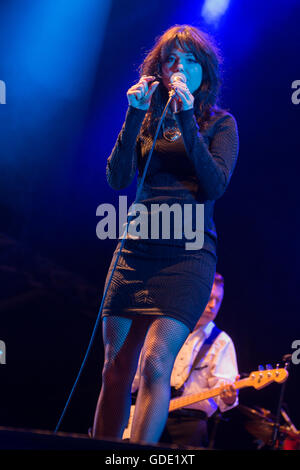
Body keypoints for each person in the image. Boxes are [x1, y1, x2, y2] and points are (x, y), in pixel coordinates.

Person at [92, 24, 239, 444]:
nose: (180, 66)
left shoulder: (220, 124)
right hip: (137, 250)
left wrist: (187, 116)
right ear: (159, 68)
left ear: (204, 73)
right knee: (115, 367)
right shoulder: (148, 119)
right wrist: (134, 113)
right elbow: (117, 178)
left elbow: (214, 185)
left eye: (190, 60)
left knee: (156, 363)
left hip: (187, 256)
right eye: (172, 59)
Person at [130, 272, 239, 448]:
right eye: (209, 298)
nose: (212, 306)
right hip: (148, 413)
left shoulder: (222, 341)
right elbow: (133, 380)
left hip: (190, 424)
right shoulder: (163, 328)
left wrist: (229, 397)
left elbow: (225, 393)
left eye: (218, 301)